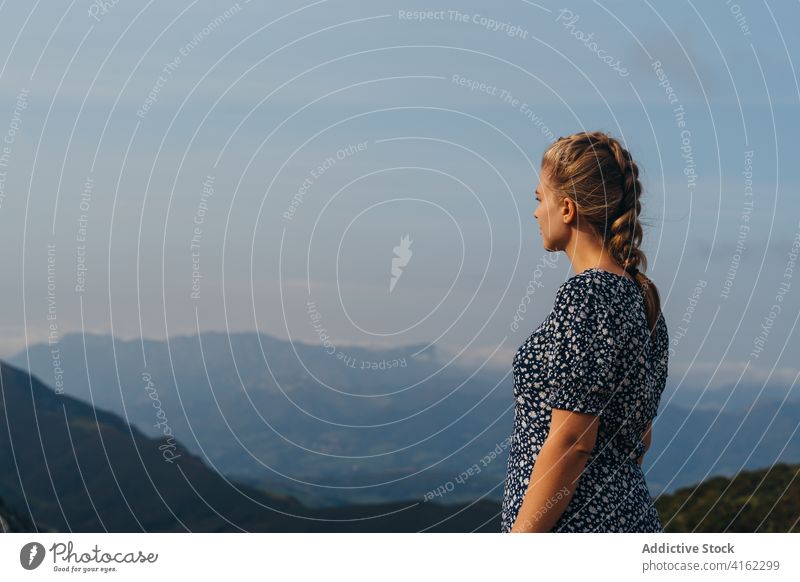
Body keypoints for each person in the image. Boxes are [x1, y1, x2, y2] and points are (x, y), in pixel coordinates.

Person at [500, 130, 669, 533]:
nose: (536, 212)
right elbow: (638, 439)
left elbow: (573, 441)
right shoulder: (641, 299)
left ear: (567, 209)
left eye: (540, 199)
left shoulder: (589, 295)